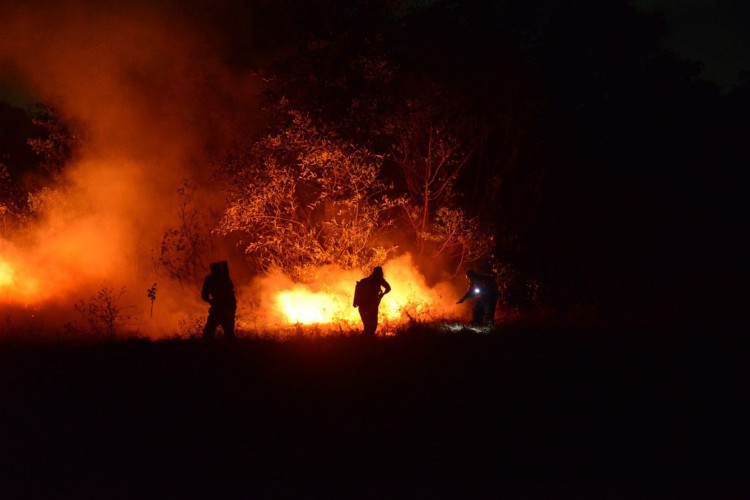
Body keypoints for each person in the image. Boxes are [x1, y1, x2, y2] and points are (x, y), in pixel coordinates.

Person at [201, 261, 237, 339]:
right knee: (228, 333)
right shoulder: (224, 278)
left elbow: (204, 295)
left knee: (210, 333)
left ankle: (212, 349)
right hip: (222, 308)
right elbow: (204, 295)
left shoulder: (213, 279)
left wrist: (211, 301)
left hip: (221, 308)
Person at [353, 266, 391, 336]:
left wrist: (355, 301)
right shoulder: (379, 279)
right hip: (372, 304)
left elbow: (357, 289)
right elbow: (388, 288)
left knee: (366, 323)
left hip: (363, 305)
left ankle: (365, 338)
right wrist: (382, 294)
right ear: (380, 273)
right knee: (373, 322)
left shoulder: (363, 281)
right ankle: (369, 338)